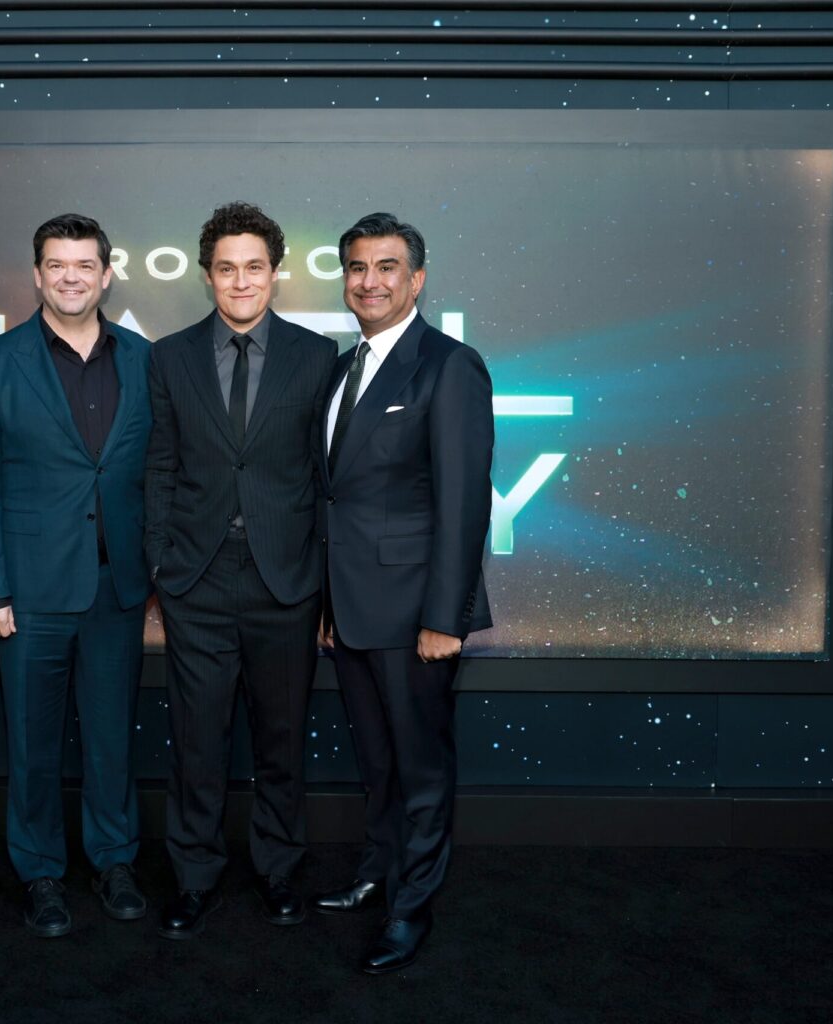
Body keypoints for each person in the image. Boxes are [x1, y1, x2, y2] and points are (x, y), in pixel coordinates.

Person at [0, 213, 153, 938]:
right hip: (27, 594)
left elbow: (151, 477)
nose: (71, 276)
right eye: (56, 264)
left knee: (111, 738)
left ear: (106, 273)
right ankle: (40, 872)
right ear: (37, 275)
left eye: (84, 264)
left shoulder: (141, 359)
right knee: (33, 744)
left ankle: (114, 859)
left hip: (116, 588)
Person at [144, 202, 337, 939]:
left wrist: (322, 581)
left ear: (276, 274)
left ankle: (279, 870)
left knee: (281, 738)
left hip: (285, 581)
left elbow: (324, 478)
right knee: (197, 741)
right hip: (196, 578)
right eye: (226, 268)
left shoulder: (318, 357)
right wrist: (162, 563)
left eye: (254, 266)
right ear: (206, 276)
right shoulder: (169, 357)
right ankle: (193, 878)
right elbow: (159, 466)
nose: (240, 280)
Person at [312, 212, 495, 974]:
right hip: (350, 611)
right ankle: (377, 871)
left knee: (420, 769)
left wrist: (444, 619)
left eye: (387, 267)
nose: (370, 281)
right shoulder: (340, 365)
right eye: (357, 267)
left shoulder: (448, 365)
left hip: (416, 613)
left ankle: (411, 909)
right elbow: (338, 496)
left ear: (416, 279)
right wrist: (327, 605)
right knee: (378, 762)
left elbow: (462, 501)